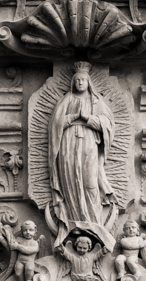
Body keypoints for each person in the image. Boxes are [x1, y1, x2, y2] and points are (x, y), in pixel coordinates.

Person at [48, 62, 115, 230]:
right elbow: (55, 123)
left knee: (90, 181)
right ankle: (73, 220)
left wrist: (87, 118)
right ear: (73, 82)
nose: (80, 83)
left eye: (83, 80)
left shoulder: (96, 101)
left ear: (88, 82)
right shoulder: (67, 100)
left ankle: (94, 222)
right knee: (70, 180)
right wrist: (72, 118)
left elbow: (107, 123)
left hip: (89, 143)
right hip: (68, 144)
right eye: (77, 80)